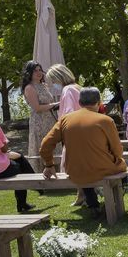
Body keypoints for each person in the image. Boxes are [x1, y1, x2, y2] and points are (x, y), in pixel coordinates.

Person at [40, 87, 128, 218]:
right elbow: (117, 150)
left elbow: (45, 145)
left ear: (80, 103)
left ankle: (93, 204)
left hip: (75, 170)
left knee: (84, 166)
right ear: (99, 103)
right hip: (102, 169)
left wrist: (49, 164)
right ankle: (114, 200)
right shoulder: (106, 120)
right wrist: (116, 158)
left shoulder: (65, 119)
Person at [45, 64, 83, 205]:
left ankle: (84, 195)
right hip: (83, 131)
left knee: (74, 166)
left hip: (74, 134)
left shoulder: (67, 90)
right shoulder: (78, 87)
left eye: (53, 82)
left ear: (59, 78)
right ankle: (82, 195)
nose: (53, 85)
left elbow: (68, 114)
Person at [22, 60, 59, 171]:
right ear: (29, 73)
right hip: (39, 122)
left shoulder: (44, 85)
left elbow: (48, 102)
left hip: (50, 119)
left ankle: (57, 170)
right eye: (35, 71)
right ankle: (42, 173)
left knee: (53, 143)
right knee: (42, 145)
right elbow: (37, 108)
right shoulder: (29, 88)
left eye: (40, 70)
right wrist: (54, 105)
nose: (39, 73)